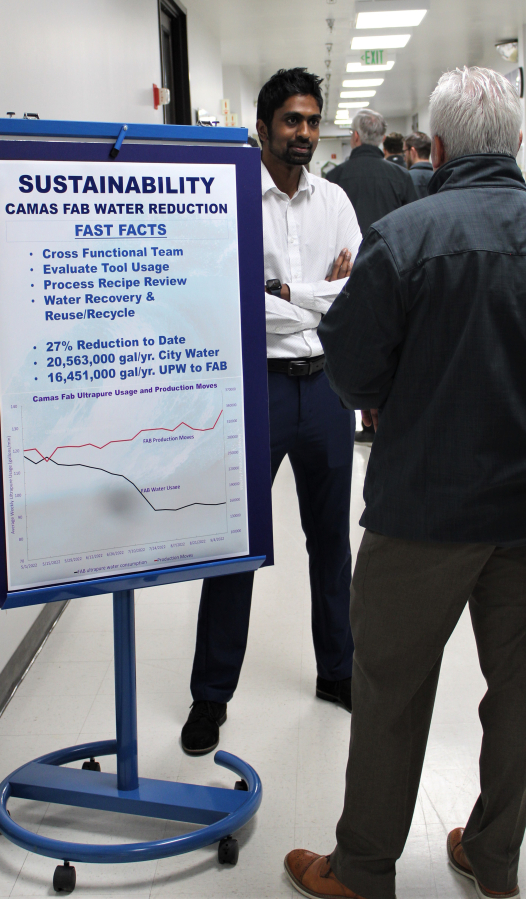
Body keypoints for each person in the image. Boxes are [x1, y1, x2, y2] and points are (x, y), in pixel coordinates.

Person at [284, 66, 526, 899]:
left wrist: (390, 393)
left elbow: (349, 367)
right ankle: (495, 858)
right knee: (522, 694)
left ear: (441, 146)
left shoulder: (409, 236)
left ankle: (364, 870)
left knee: (389, 692)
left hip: (423, 507)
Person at [180, 68, 362, 755]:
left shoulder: (337, 203)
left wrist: (285, 291)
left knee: (330, 542)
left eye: (313, 121)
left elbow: (355, 292)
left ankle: (337, 671)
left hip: (324, 391)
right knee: (235, 545)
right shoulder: (226, 201)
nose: (304, 135)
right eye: (291, 121)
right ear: (262, 127)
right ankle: (210, 696)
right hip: (252, 387)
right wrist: (315, 294)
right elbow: (229, 298)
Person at [326, 109, 416, 447]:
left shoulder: (333, 179)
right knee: (394, 346)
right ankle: (385, 415)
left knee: (357, 348)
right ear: (381, 138)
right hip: (397, 278)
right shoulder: (400, 178)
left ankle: (364, 412)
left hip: (345, 281)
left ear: (355, 137)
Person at [404, 130, 434, 197]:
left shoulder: (405, 179)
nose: (404, 157)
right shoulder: (441, 177)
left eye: (405, 151)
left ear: (412, 151)